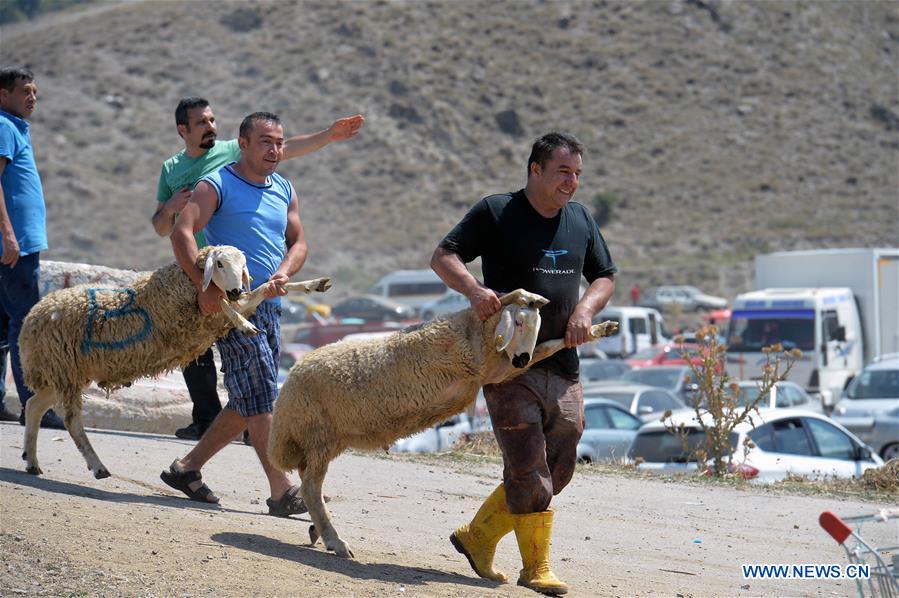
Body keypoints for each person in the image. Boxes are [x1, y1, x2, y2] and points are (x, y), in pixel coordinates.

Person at [431, 132, 616, 595]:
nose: (571, 182)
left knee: (559, 464)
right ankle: (536, 567)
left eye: (577, 174)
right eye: (563, 172)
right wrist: (474, 290)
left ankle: (478, 536)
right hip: (509, 364)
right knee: (529, 464)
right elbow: (444, 256)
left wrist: (585, 310)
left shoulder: (580, 219)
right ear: (535, 169)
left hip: (563, 362)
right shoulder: (496, 211)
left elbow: (605, 276)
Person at [152, 97, 363, 441]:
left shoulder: (235, 155)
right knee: (201, 358)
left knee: (257, 384)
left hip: (264, 292)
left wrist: (328, 135)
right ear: (183, 129)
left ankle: (207, 454)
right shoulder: (177, 170)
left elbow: (282, 150)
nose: (210, 126)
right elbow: (166, 228)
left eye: (212, 119)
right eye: (202, 122)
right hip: (209, 276)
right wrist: (173, 210)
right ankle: (218, 426)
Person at [160, 111, 314, 516]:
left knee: (247, 398)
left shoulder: (285, 189)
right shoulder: (217, 184)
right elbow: (181, 232)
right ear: (243, 144)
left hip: (270, 307)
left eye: (279, 143)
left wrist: (284, 271)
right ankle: (282, 490)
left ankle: (186, 468)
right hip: (232, 310)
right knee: (261, 394)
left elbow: (298, 242)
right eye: (265, 141)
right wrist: (204, 285)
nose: (274, 150)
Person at [0, 66, 64, 429]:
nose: (32, 97)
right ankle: (34, 405)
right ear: (3, 95)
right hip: (16, 246)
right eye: (25, 91)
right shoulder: (4, 127)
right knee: (25, 325)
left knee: (4, 326)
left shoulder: (14, 127)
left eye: (35, 91)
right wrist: (9, 234)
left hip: (16, 243)